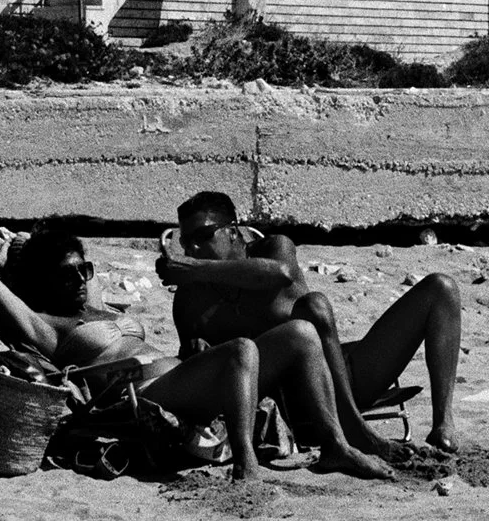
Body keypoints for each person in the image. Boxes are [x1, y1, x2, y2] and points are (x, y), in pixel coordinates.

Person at [0, 223, 392, 482]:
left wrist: (48, 247)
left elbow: (70, 263)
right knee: (241, 350)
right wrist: (4, 257)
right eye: (68, 274)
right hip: (144, 394)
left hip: (181, 379)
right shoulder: (48, 327)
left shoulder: (96, 305)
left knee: (300, 331)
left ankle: (337, 445)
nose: (80, 278)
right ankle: (247, 467)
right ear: (43, 284)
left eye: (85, 269)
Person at [155, 190, 463, 457]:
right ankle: (353, 431)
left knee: (440, 288)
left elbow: (280, 274)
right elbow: (194, 375)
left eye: (202, 237)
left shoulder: (274, 249)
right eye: (186, 242)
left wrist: (197, 269)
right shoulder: (189, 301)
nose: (192, 249)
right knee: (313, 308)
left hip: (340, 379)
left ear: (233, 232)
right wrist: (197, 350)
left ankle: (442, 425)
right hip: (284, 404)